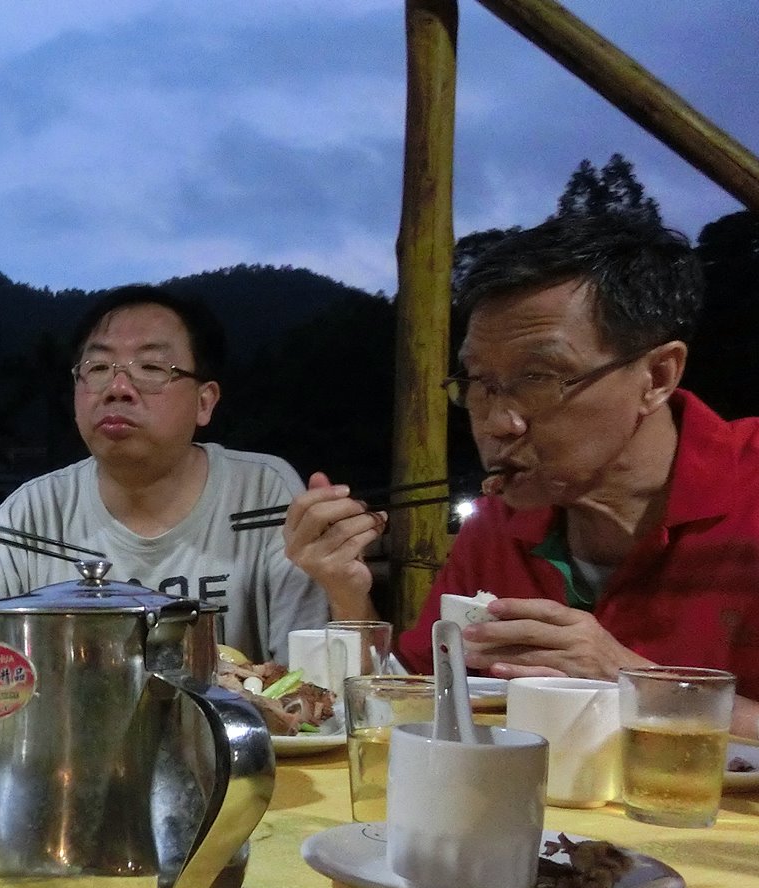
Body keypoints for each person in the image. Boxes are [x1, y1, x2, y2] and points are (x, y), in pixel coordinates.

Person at [285, 212, 759, 739]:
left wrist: (632, 682)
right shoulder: (501, 520)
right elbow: (415, 702)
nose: (497, 424)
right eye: (480, 383)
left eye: (538, 377)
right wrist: (347, 591)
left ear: (657, 376)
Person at [0, 284, 328, 661]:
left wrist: (344, 587)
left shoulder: (262, 493)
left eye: (151, 368)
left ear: (204, 402)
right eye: (98, 369)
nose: (119, 388)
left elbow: (312, 670)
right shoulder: (35, 512)